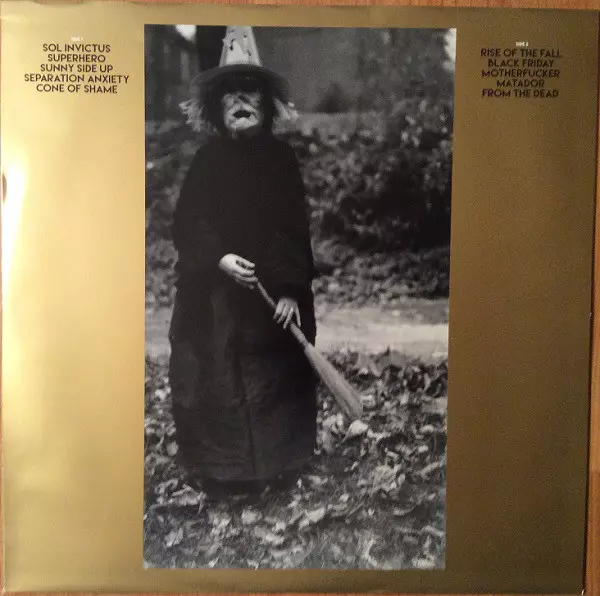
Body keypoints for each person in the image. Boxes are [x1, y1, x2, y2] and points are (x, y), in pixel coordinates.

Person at [169, 27, 317, 500]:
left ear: (267, 104)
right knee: (213, 372)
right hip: (215, 297)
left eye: (249, 90)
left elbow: (292, 225)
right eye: (230, 93)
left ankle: (279, 464)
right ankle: (223, 470)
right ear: (217, 107)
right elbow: (188, 222)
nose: (240, 100)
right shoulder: (206, 162)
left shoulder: (281, 160)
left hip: (270, 295)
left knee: (276, 374)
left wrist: (290, 289)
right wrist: (219, 257)